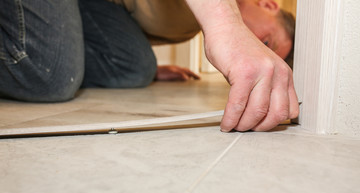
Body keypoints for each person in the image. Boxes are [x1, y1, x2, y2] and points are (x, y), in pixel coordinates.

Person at [0, 0, 298, 132]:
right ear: (269, 5)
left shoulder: (184, 30)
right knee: (47, 73)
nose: (258, 51)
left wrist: (150, 66)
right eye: (267, 43)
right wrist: (226, 23)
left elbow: (121, 32)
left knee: (137, 68)